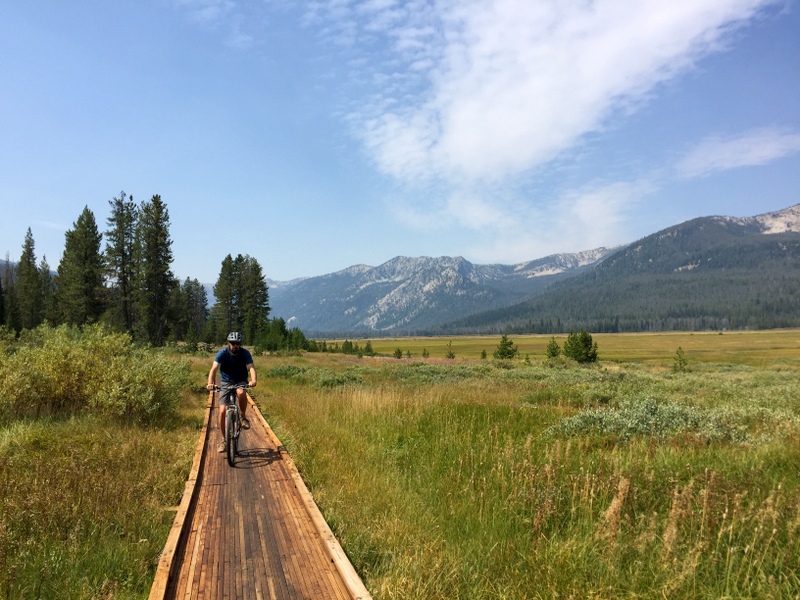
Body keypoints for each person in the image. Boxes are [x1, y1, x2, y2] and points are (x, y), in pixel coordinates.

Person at [206, 332, 257, 453]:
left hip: (240, 380)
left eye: (237, 344)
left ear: (240, 344)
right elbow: (213, 369)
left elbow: (251, 367)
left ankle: (243, 417)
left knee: (241, 393)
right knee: (222, 411)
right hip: (226, 382)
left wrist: (253, 380)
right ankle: (224, 440)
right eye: (233, 343)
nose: (235, 346)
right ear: (228, 343)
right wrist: (210, 383)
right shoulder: (222, 353)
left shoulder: (245, 353)